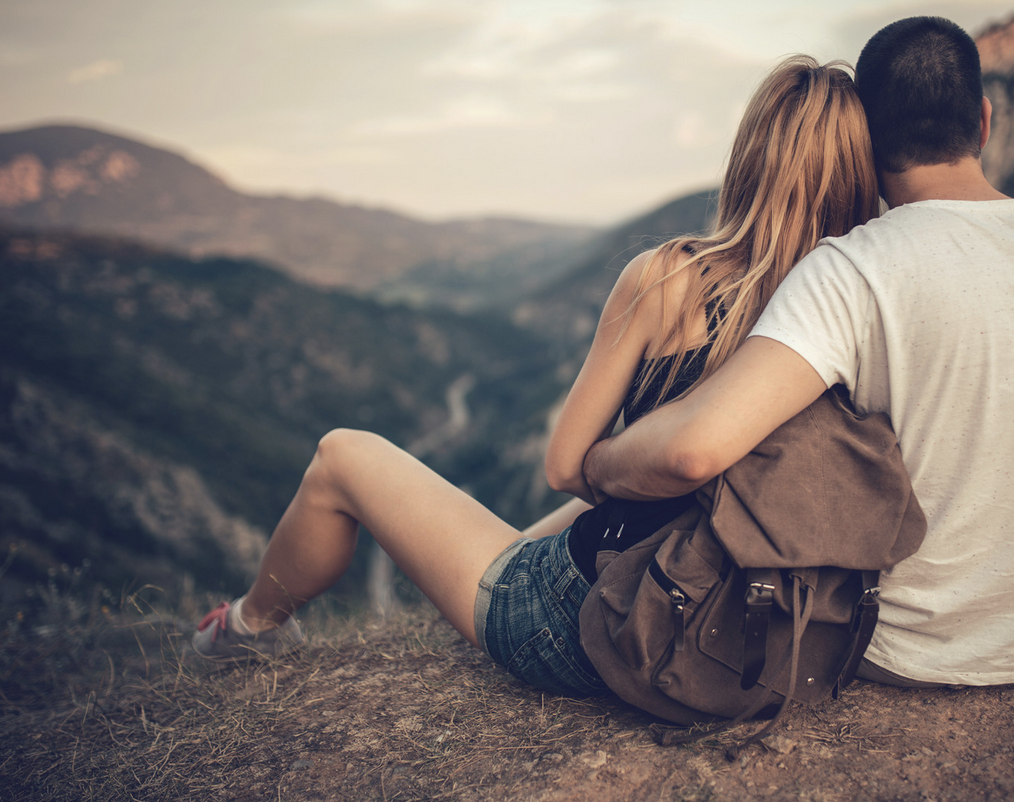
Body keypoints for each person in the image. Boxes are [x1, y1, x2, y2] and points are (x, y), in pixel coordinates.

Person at [192, 56, 882, 695]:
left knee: (340, 456)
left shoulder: (669, 277)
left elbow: (566, 465)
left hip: (607, 623)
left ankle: (246, 631)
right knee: (526, 539)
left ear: (749, 158)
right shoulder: (860, 306)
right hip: (754, 624)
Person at [582, 16, 1014, 687]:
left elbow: (693, 451)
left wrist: (598, 465)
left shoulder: (856, 267)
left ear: (864, 143)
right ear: (984, 123)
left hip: (904, 651)